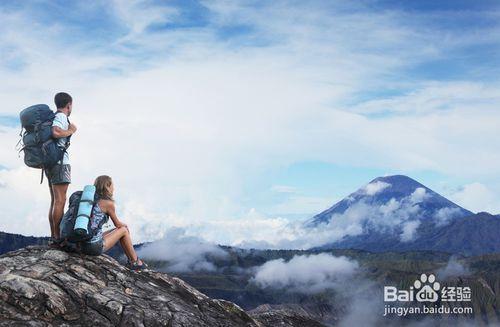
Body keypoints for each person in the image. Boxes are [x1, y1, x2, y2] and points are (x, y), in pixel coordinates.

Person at [80, 175, 147, 270]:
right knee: (123, 230)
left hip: (81, 243)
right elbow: (118, 224)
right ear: (107, 186)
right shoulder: (108, 204)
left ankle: (132, 261)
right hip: (93, 247)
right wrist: (126, 226)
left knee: (117, 230)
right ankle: (135, 262)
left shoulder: (88, 201)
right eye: (112, 185)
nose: (113, 188)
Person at [48, 92, 77, 247]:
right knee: (60, 200)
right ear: (68, 105)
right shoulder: (60, 117)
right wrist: (71, 131)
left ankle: (54, 236)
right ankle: (57, 237)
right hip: (60, 163)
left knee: (55, 200)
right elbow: (56, 132)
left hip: (52, 163)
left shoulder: (55, 116)